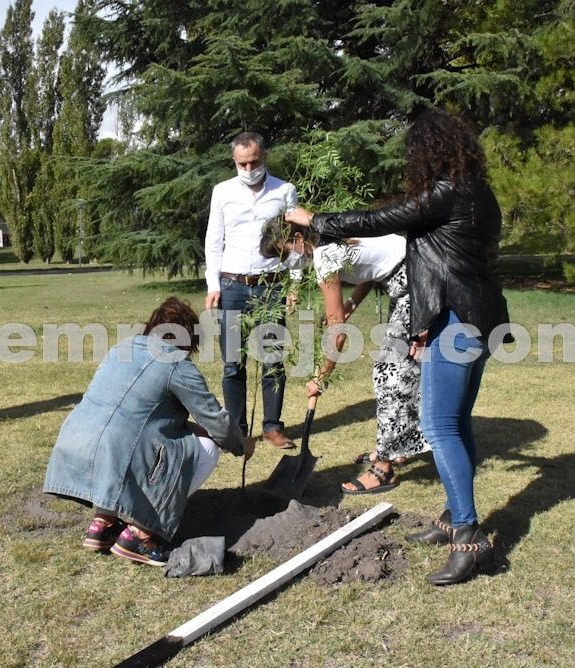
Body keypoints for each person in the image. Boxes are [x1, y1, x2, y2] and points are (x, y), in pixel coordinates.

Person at [286, 108, 510, 586]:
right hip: (483, 317)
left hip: (457, 320)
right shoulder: (479, 193)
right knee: (457, 422)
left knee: (437, 424)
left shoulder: (445, 193)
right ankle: (454, 514)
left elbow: (375, 219)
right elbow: (435, 256)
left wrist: (315, 220)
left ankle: (469, 539)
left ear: (428, 152)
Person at [43, 297, 256, 566]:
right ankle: (141, 533)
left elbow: (138, 417)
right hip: (116, 448)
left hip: (77, 445)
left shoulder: (122, 347)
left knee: (121, 442)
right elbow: (217, 421)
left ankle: (103, 524)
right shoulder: (177, 364)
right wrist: (241, 444)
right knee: (207, 451)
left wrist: (201, 429)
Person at [259, 220, 431, 495]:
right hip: (409, 273)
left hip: (415, 280)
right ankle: (396, 446)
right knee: (405, 372)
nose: (288, 262)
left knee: (389, 375)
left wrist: (321, 377)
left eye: (285, 252)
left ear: (300, 239)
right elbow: (373, 268)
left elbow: (338, 335)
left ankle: (384, 469)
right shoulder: (332, 243)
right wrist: (351, 303)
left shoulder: (325, 257)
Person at [205, 131, 299, 450]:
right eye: (242, 164)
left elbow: (294, 240)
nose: (248, 169)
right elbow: (214, 241)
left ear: (264, 157)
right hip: (232, 285)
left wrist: (294, 283)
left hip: (271, 286)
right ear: (234, 161)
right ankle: (237, 429)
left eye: (254, 162)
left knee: (272, 359)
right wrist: (213, 285)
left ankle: (272, 427)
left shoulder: (284, 191)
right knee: (233, 363)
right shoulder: (222, 192)